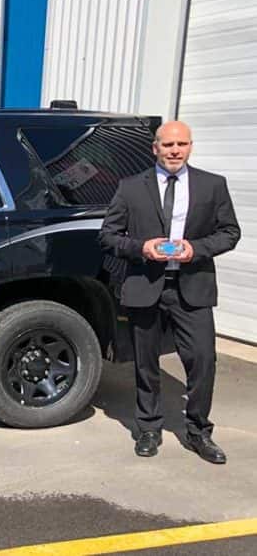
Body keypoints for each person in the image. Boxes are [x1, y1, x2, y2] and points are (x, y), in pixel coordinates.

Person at [99, 120, 240, 464]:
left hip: (192, 286)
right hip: (145, 286)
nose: (175, 151)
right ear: (155, 148)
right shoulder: (131, 187)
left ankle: (198, 431)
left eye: (181, 144)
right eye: (168, 145)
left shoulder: (212, 185)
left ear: (190, 146)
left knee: (203, 360)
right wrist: (141, 247)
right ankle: (148, 427)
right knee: (146, 363)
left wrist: (196, 249)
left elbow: (229, 232)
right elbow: (108, 236)